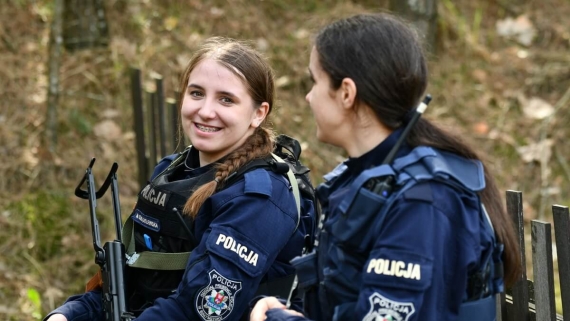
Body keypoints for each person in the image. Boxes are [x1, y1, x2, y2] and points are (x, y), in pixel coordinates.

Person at [250, 13, 520, 321]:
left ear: (347, 93)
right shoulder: (366, 178)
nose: (309, 97)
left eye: (315, 81)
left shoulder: (422, 201)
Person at [44, 37, 316, 321]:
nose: (206, 111)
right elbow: (126, 282)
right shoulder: (171, 171)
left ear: (258, 113)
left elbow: (198, 311)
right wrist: (68, 314)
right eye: (197, 93)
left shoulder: (261, 196)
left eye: (226, 99)